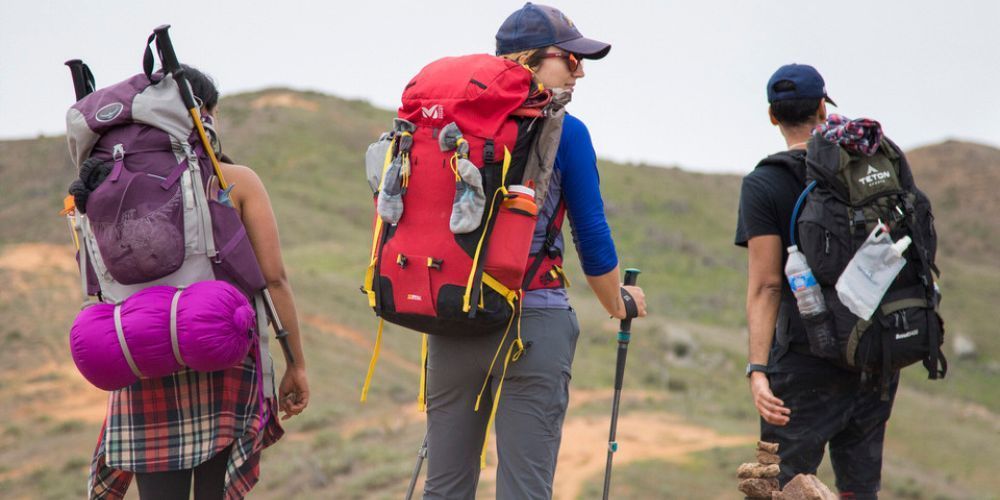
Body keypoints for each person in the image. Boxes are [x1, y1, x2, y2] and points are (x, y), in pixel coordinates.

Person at [422, 4, 646, 499]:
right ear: (530, 59)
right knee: (525, 490)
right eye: (570, 59)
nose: (581, 70)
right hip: (532, 323)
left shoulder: (446, 128)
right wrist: (619, 302)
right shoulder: (569, 131)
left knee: (444, 488)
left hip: (452, 318)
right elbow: (591, 235)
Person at [87, 66, 310, 500]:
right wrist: (295, 364)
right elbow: (274, 280)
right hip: (223, 355)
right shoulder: (234, 180)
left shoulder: (103, 186)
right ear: (202, 112)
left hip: (143, 356)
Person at [735, 64, 898, 499]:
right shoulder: (868, 170)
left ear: (773, 116)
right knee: (859, 490)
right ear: (824, 109)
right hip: (872, 355)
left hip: (803, 362)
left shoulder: (765, 183)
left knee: (779, 488)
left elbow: (768, 285)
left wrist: (757, 371)